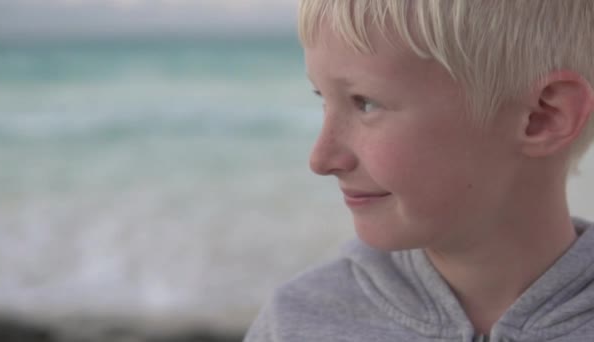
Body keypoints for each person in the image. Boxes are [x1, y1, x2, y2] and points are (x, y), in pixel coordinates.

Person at [245, 1, 594, 341]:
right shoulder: (296, 322)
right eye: (323, 99)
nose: (321, 159)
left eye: (365, 103)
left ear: (543, 117)